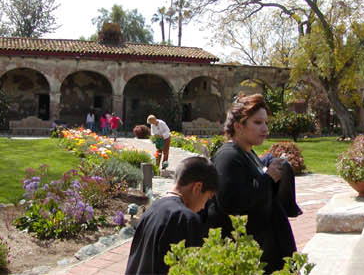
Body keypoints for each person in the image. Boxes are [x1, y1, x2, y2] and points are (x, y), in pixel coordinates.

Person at [206, 95, 303, 270]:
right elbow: (231, 204)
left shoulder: (247, 153)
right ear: (238, 126)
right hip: (245, 255)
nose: (265, 129)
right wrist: (268, 178)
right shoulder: (228, 157)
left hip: (261, 249)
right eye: (257, 123)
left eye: (266, 123)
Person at [128, 158, 218, 275]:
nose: (203, 207)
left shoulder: (153, 208)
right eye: (207, 198)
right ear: (197, 187)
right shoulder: (185, 218)